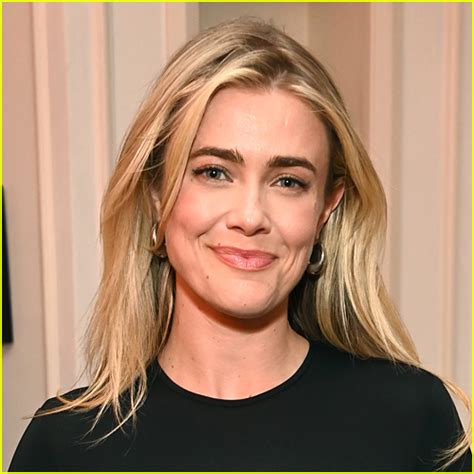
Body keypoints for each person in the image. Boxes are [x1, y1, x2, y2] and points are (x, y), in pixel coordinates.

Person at [9, 18, 471, 472]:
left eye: (288, 181)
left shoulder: (411, 421)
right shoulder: (65, 446)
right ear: (156, 194)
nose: (250, 217)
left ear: (325, 209)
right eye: (214, 172)